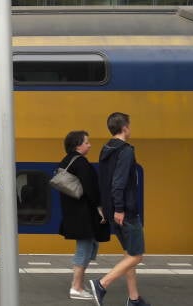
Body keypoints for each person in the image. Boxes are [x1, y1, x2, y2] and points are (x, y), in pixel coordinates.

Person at [89, 113, 150, 306]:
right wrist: (121, 208)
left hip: (111, 209)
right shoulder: (125, 151)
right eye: (129, 125)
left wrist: (106, 207)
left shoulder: (105, 149)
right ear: (125, 127)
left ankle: (134, 299)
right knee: (136, 255)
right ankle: (102, 284)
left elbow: (103, 181)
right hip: (125, 211)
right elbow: (119, 182)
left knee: (128, 253)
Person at [57, 131, 110, 301]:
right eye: (87, 142)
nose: (90, 145)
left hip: (74, 213)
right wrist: (100, 206)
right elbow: (91, 189)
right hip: (83, 215)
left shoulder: (67, 161)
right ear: (78, 145)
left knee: (89, 246)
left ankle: (78, 285)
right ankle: (76, 287)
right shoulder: (81, 163)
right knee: (85, 248)